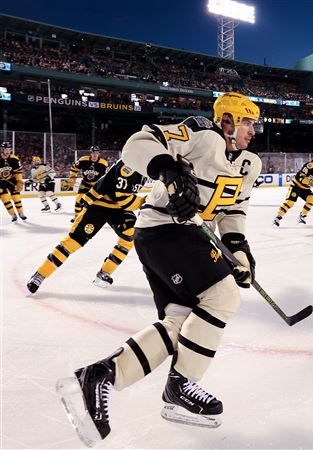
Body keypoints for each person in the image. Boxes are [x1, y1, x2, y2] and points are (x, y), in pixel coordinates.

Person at [56, 92, 263, 446]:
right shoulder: (201, 132)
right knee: (223, 295)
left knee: (180, 321)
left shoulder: (249, 164)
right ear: (227, 119)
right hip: (165, 230)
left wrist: (239, 250)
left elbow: (233, 211)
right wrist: (166, 167)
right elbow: (138, 143)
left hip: (185, 237)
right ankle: (180, 386)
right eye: (247, 122)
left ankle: (98, 376)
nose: (252, 131)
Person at [26, 159, 147, 293]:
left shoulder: (146, 169)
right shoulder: (129, 165)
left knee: (130, 235)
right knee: (73, 242)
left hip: (119, 207)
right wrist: (145, 201)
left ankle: (104, 273)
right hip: (100, 204)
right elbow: (121, 197)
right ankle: (40, 274)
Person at [273, 152, 313, 227]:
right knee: (290, 202)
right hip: (296, 186)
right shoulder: (309, 166)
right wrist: (311, 183)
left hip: (305, 188)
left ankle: (302, 216)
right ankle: (277, 218)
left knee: (312, 199)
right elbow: (300, 178)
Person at [66, 145, 109, 221]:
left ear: (99, 153)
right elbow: (74, 168)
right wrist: (72, 177)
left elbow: (107, 176)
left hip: (96, 184)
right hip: (85, 183)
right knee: (79, 198)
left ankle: (97, 216)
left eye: (96, 153)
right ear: (90, 153)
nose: (95, 155)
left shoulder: (103, 163)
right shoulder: (83, 160)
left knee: (97, 202)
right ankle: (76, 216)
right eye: (93, 153)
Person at [0, 141, 26, 222]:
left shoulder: (14, 158)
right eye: (6, 149)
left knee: (16, 197)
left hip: (12, 180)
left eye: (9, 149)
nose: (8, 151)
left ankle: (21, 213)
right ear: (2, 149)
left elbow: (18, 171)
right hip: (0, 182)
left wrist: (19, 180)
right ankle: (13, 214)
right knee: (5, 198)